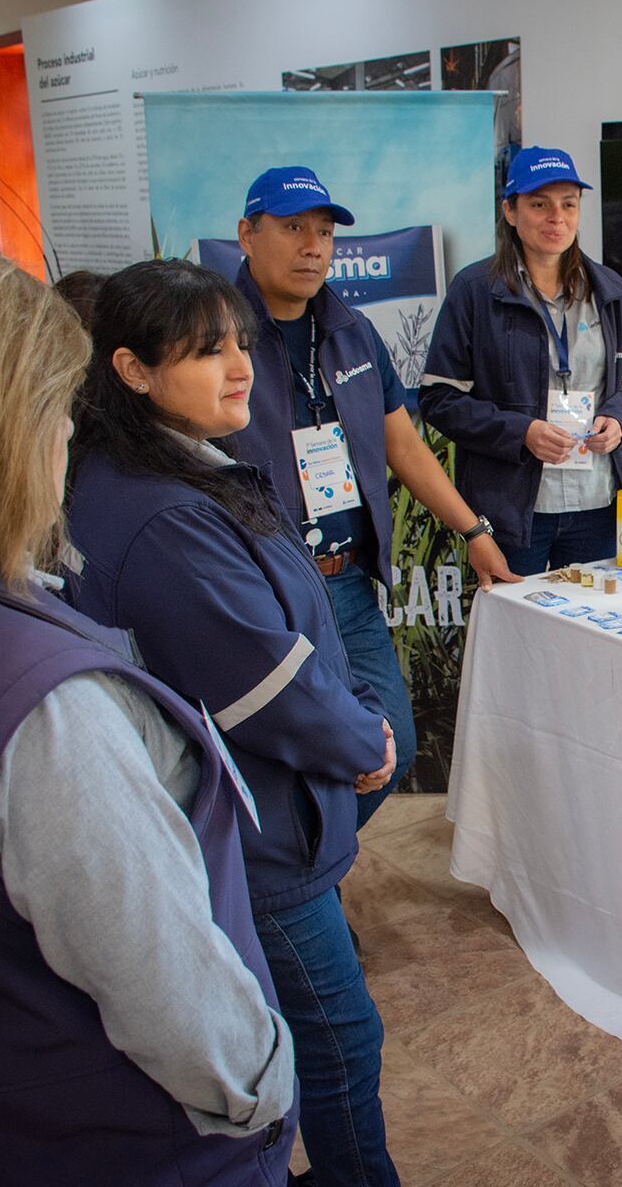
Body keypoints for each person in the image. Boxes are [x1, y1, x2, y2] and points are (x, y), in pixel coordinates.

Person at [0, 233, 296, 1185]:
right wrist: (267, 1086)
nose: (68, 435)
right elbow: (185, 1014)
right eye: (52, 410)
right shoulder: (44, 715)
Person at [64, 259, 400, 1187]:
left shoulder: (158, 470)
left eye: (239, 344)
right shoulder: (165, 516)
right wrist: (360, 741)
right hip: (259, 844)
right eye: (207, 350)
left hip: (236, 825)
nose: (239, 367)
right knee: (339, 1042)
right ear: (132, 370)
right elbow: (264, 686)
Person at [233, 165, 518, 804]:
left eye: (326, 232)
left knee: (392, 743)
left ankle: (309, 872)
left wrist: (472, 529)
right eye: (293, 228)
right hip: (263, 589)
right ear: (247, 235)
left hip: (348, 584)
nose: (313, 246)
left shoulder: (351, 331)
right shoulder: (216, 336)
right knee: (284, 755)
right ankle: (295, 887)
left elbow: (404, 445)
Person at [421, 146, 622, 574]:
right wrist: (521, 432)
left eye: (568, 204)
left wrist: (620, 421)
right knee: (518, 633)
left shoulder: (612, 293)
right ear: (510, 211)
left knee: (595, 631)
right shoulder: (475, 291)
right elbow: (439, 399)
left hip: (598, 504)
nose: (557, 218)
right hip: (514, 512)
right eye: (539, 204)